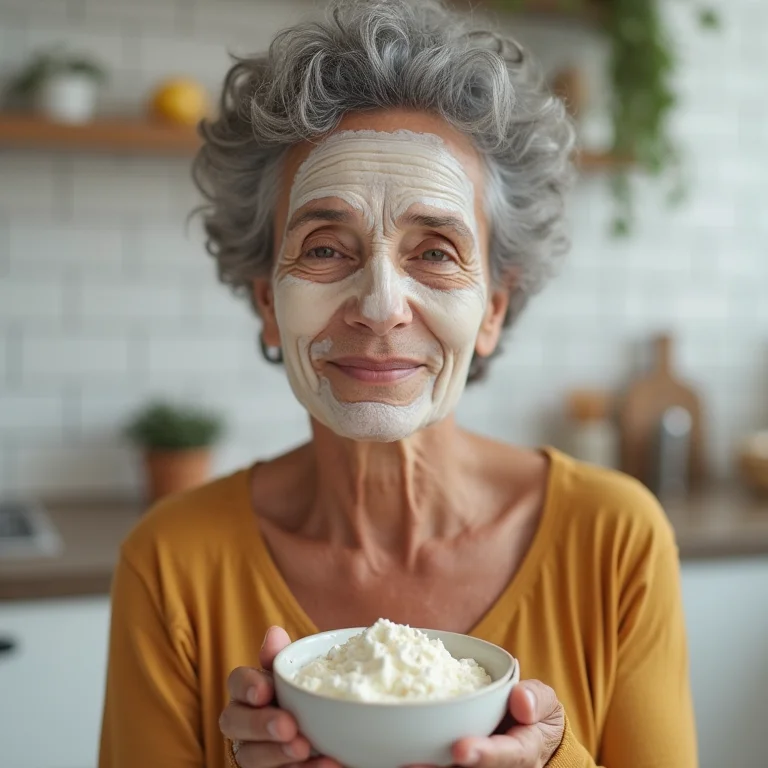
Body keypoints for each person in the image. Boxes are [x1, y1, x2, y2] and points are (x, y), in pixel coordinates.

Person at [98, 1, 697, 767]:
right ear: (268, 302)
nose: (381, 307)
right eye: (325, 248)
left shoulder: (615, 541)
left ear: (493, 308)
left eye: (436, 252)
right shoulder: (171, 564)